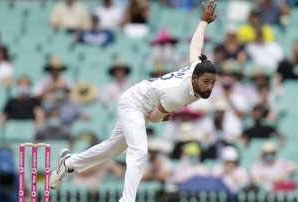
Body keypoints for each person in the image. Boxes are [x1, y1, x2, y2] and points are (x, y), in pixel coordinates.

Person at [50, 1, 218, 202]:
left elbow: (196, 45)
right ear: (195, 78)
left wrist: (203, 22)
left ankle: (69, 163)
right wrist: (164, 114)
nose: (209, 87)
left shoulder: (197, 68)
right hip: (134, 103)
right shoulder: (178, 95)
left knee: (112, 148)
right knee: (139, 150)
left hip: (142, 103)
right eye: (206, 82)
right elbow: (155, 118)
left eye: (212, 83)